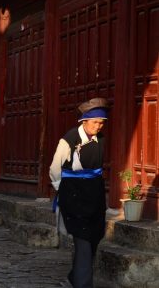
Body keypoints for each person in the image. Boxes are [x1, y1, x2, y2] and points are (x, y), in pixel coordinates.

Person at [49, 97, 109, 288]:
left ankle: (72, 279)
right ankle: (82, 285)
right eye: (95, 122)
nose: (98, 126)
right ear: (84, 121)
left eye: (101, 123)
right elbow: (54, 168)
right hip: (74, 196)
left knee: (94, 237)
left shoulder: (100, 139)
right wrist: (63, 189)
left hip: (95, 196)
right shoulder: (69, 139)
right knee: (82, 240)